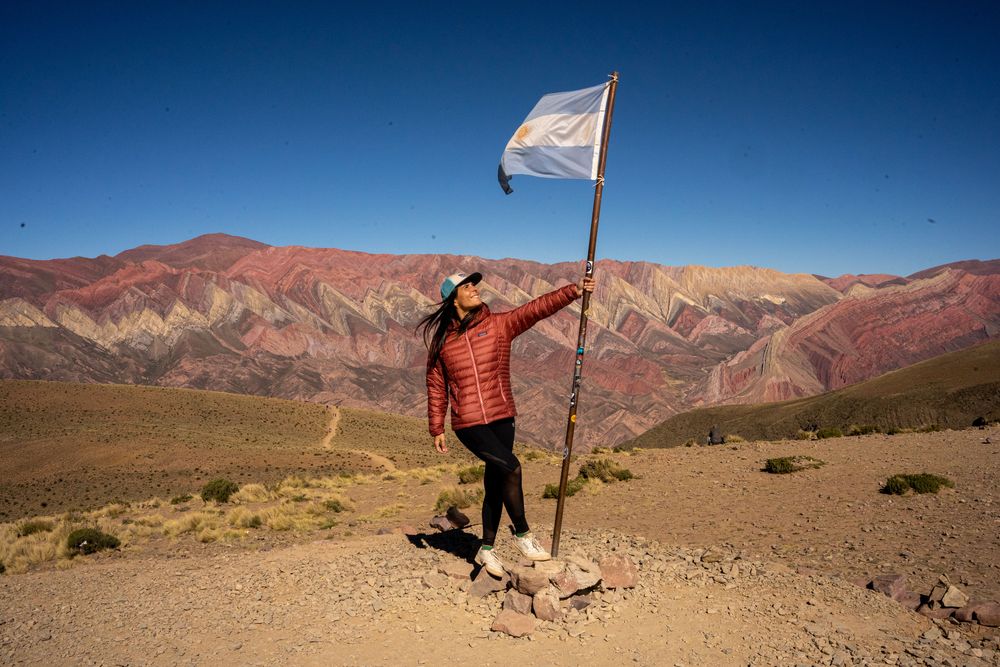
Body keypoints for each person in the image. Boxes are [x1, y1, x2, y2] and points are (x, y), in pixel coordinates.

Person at [419, 270, 596, 577]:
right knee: (512, 468)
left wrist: (574, 291)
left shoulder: (498, 325)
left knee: (496, 482)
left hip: (502, 416)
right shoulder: (442, 342)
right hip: (469, 422)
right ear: (453, 299)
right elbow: (436, 386)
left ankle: (486, 549)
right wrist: (437, 427)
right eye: (467, 286)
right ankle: (523, 534)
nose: (474, 289)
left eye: (474, 284)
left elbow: (535, 309)